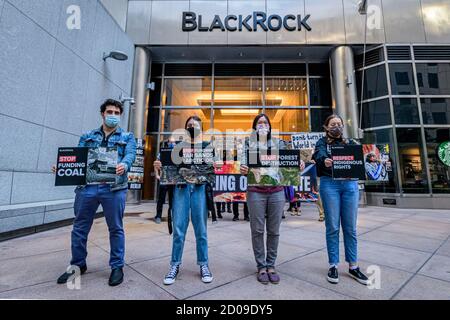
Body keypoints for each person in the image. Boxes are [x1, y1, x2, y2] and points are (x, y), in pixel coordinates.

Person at [55, 99, 136, 287]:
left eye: (117, 113)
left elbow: (130, 155)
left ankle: (117, 266)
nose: (113, 116)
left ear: (120, 115)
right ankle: (77, 265)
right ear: (102, 114)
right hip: (88, 188)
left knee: (115, 228)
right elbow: (78, 157)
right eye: (110, 112)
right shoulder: (88, 136)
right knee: (79, 228)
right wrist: (62, 167)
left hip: (114, 189)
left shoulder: (127, 136)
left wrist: (124, 164)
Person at [153, 116, 220, 285]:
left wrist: (217, 166)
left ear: (201, 129)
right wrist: (158, 167)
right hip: (181, 189)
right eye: (189, 125)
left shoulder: (207, 148)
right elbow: (165, 170)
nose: (191, 127)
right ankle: (174, 265)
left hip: (199, 190)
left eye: (195, 125)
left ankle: (204, 264)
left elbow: (213, 169)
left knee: (201, 231)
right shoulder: (176, 148)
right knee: (179, 230)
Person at [240, 114, 305, 285]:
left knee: (274, 231)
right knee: (257, 230)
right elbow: (242, 163)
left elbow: (290, 160)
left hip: (276, 191)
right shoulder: (248, 143)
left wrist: (298, 164)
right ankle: (261, 266)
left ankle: (271, 265)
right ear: (255, 127)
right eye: (259, 123)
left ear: (269, 126)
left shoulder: (280, 143)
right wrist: (243, 167)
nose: (262, 125)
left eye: (265, 123)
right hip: (255, 191)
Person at [313, 114, 369, 286]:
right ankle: (333, 265)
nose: (336, 126)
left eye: (339, 124)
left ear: (343, 126)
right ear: (326, 127)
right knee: (332, 227)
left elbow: (360, 159)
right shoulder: (322, 143)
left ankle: (353, 266)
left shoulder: (351, 143)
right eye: (333, 124)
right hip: (330, 185)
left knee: (350, 228)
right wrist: (325, 161)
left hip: (350, 186)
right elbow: (318, 156)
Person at [154, 140, 175, 224]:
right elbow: (156, 164)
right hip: (164, 178)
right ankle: (158, 216)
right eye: (171, 142)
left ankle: (171, 216)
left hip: (173, 180)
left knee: (172, 199)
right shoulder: (162, 153)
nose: (172, 144)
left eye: (173, 143)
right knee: (161, 199)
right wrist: (157, 175)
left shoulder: (176, 154)